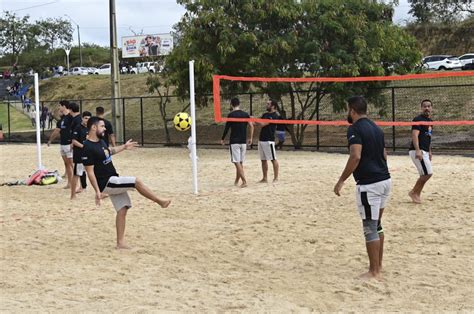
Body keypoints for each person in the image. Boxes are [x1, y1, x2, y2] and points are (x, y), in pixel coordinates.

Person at [82, 117, 171, 249]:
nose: (105, 128)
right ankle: (160, 201)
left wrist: (124, 147)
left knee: (123, 208)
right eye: (102, 126)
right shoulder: (87, 147)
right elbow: (90, 172)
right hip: (106, 182)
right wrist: (97, 191)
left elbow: (109, 152)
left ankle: (120, 243)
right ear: (94, 127)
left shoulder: (101, 141)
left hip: (113, 178)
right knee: (136, 181)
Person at [333, 96, 391, 280]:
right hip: (384, 180)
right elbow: (384, 154)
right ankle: (378, 266)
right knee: (377, 225)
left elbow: (355, 156)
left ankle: (374, 271)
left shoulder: (355, 128)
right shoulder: (376, 128)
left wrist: (341, 180)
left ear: (352, 110)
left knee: (370, 227)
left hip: (370, 184)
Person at [220, 97, 254, 187]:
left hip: (234, 141)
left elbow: (227, 128)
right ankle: (236, 181)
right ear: (239, 104)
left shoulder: (231, 115)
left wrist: (222, 138)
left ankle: (244, 181)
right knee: (240, 162)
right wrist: (251, 137)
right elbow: (251, 126)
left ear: (231, 104)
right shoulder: (245, 114)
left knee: (236, 162)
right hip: (243, 141)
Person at [408, 99, 434, 204]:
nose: (426, 108)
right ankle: (414, 192)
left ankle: (416, 193)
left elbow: (428, 137)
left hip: (425, 150)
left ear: (431, 108)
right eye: (424, 106)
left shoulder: (430, 121)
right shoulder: (418, 119)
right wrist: (418, 150)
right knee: (427, 174)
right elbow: (415, 135)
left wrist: (430, 151)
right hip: (417, 150)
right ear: (421, 108)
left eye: (428, 106)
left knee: (425, 174)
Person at [47, 100, 74, 189]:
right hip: (63, 143)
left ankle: (76, 183)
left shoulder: (71, 117)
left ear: (64, 106)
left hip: (69, 144)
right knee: (67, 164)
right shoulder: (62, 119)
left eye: (60, 106)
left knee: (71, 164)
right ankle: (69, 182)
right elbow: (57, 131)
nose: (59, 108)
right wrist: (50, 140)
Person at [70, 111, 92, 199]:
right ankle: (73, 194)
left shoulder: (91, 128)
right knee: (77, 173)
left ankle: (85, 187)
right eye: (86, 118)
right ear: (82, 118)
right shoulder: (78, 128)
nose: (87, 120)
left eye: (89, 119)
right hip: (79, 154)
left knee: (93, 172)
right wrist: (83, 146)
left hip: (89, 154)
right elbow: (74, 141)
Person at [257, 99, 280, 183]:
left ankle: (276, 178)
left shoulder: (274, 115)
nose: (266, 105)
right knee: (263, 160)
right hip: (261, 139)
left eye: (268, 104)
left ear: (273, 106)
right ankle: (265, 178)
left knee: (273, 159)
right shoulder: (265, 114)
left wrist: (255, 120)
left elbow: (263, 124)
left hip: (269, 140)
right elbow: (260, 124)